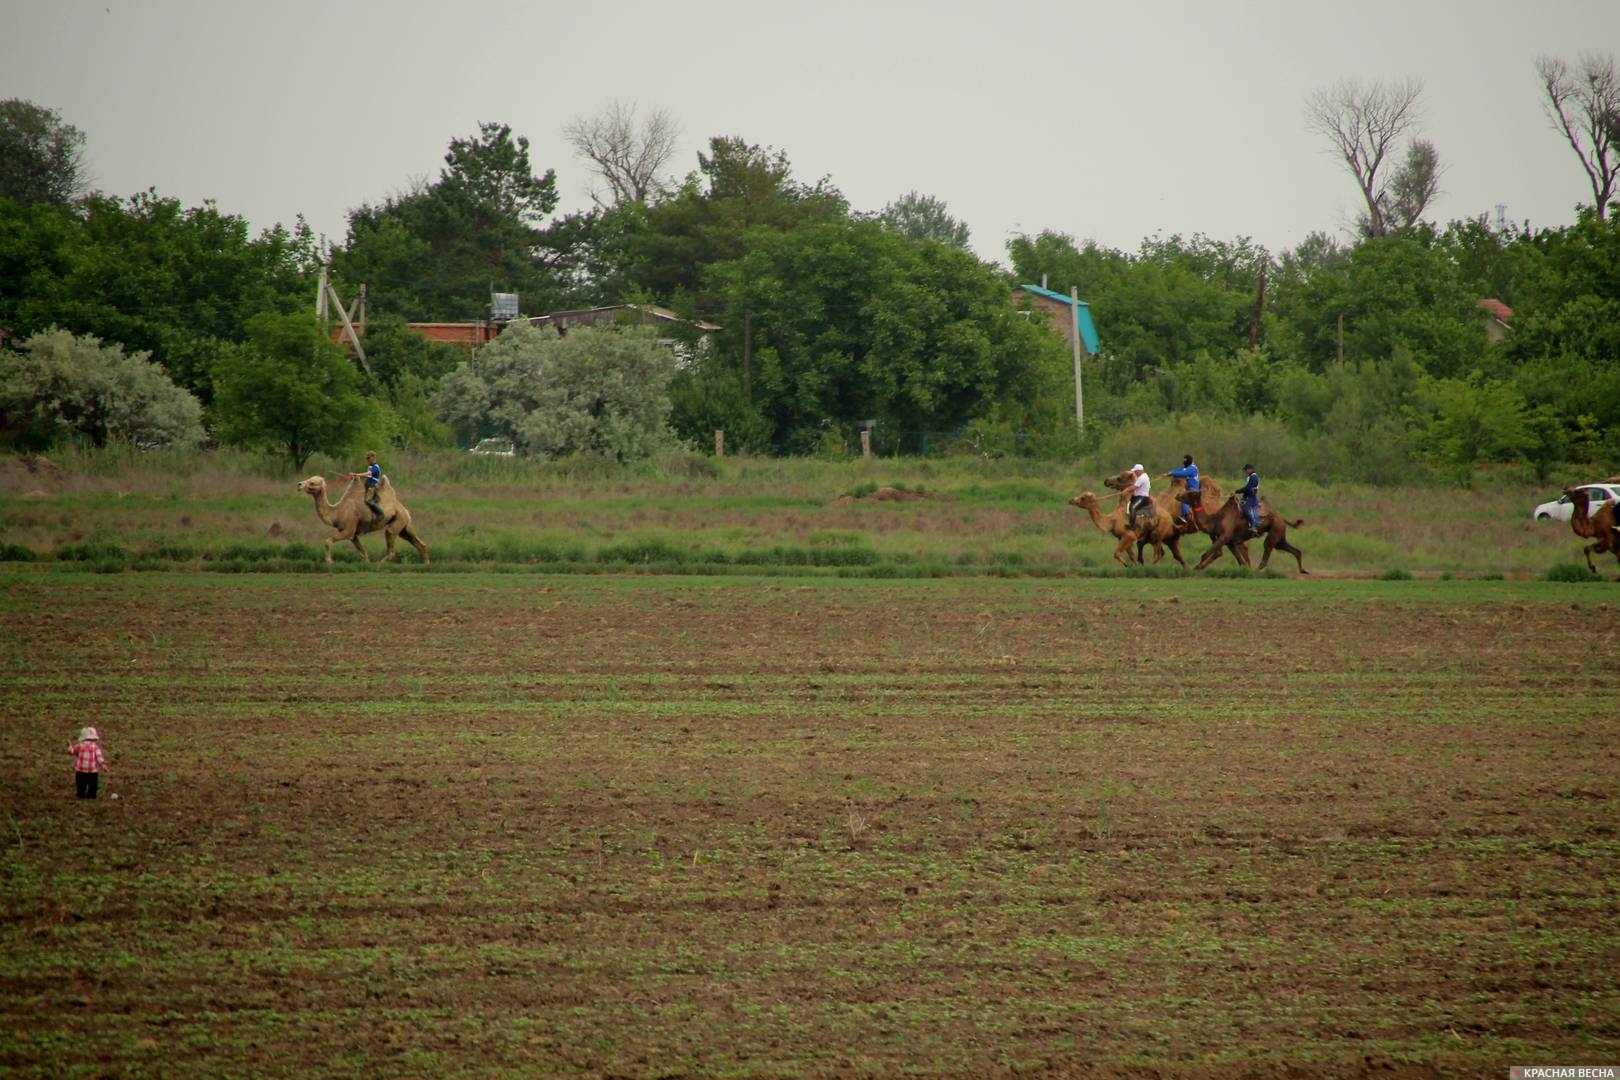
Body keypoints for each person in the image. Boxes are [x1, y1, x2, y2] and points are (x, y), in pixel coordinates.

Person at [67, 726, 106, 800]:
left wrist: (69, 746)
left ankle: (80, 795)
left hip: (80, 770)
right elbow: (99, 757)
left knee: (81, 784)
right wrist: (103, 765)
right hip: (92, 771)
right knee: (93, 785)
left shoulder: (79, 746)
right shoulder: (95, 747)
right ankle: (91, 795)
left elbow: (72, 752)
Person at [1163, 454, 1199, 527]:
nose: (1184, 462)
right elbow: (1179, 470)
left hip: (1193, 489)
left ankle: (1185, 516)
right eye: (1184, 460)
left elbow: (1182, 473)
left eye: (1185, 460)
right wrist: (1169, 473)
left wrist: (1172, 473)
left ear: (1189, 461)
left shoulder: (1192, 469)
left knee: (1184, 499)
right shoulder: (1187, 466)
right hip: (1188, 488)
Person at [350, 451, 384, 520]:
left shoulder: (375, 467)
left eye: (368, 458)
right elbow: (367, 475)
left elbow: (368, 474)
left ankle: (380, 514)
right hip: (368, 485)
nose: (367, 460)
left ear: (373, 458)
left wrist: (357, 474)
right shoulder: (370, 466)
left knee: (368, 500)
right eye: (367, 459)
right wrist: (356, 477)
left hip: (372, 486)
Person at [1126, 463, 1153, 530]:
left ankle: (1132, 525)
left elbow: (1134, 487)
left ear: (1139, 471)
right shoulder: (1141, 477)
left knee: (1133, 507)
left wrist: (1126, 490)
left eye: (1135, 471)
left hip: (1142, 498)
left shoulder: (1143, 477)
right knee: (1129, 506)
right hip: (1137, 497)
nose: (1135, 473)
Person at [1238, 463, 1262, 533]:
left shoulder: (1254, 477)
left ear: (1250, 469)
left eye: (1246, 470)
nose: (1245, 471)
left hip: (1251, 497)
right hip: (1248, 497)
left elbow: (1247, 488)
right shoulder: (1251, 477)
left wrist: (1237, 491)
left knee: (1245, 509)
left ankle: (1253, 525)